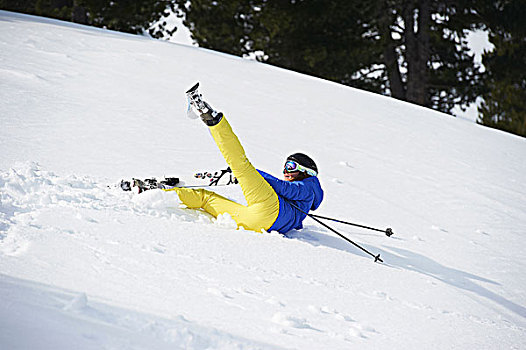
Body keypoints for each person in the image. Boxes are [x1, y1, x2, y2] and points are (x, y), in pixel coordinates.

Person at [165, 83, 324, 234]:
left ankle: (211, 118)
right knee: (205, 199)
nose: (286, 171)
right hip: (256, 222)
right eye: (285, 167)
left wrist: (252, 174)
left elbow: (285, 188)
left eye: (291, 166)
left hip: (271, 208)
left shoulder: (309, 186)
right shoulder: (302, 207)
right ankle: (162, 194)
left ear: (306, 171)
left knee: (240, 164)